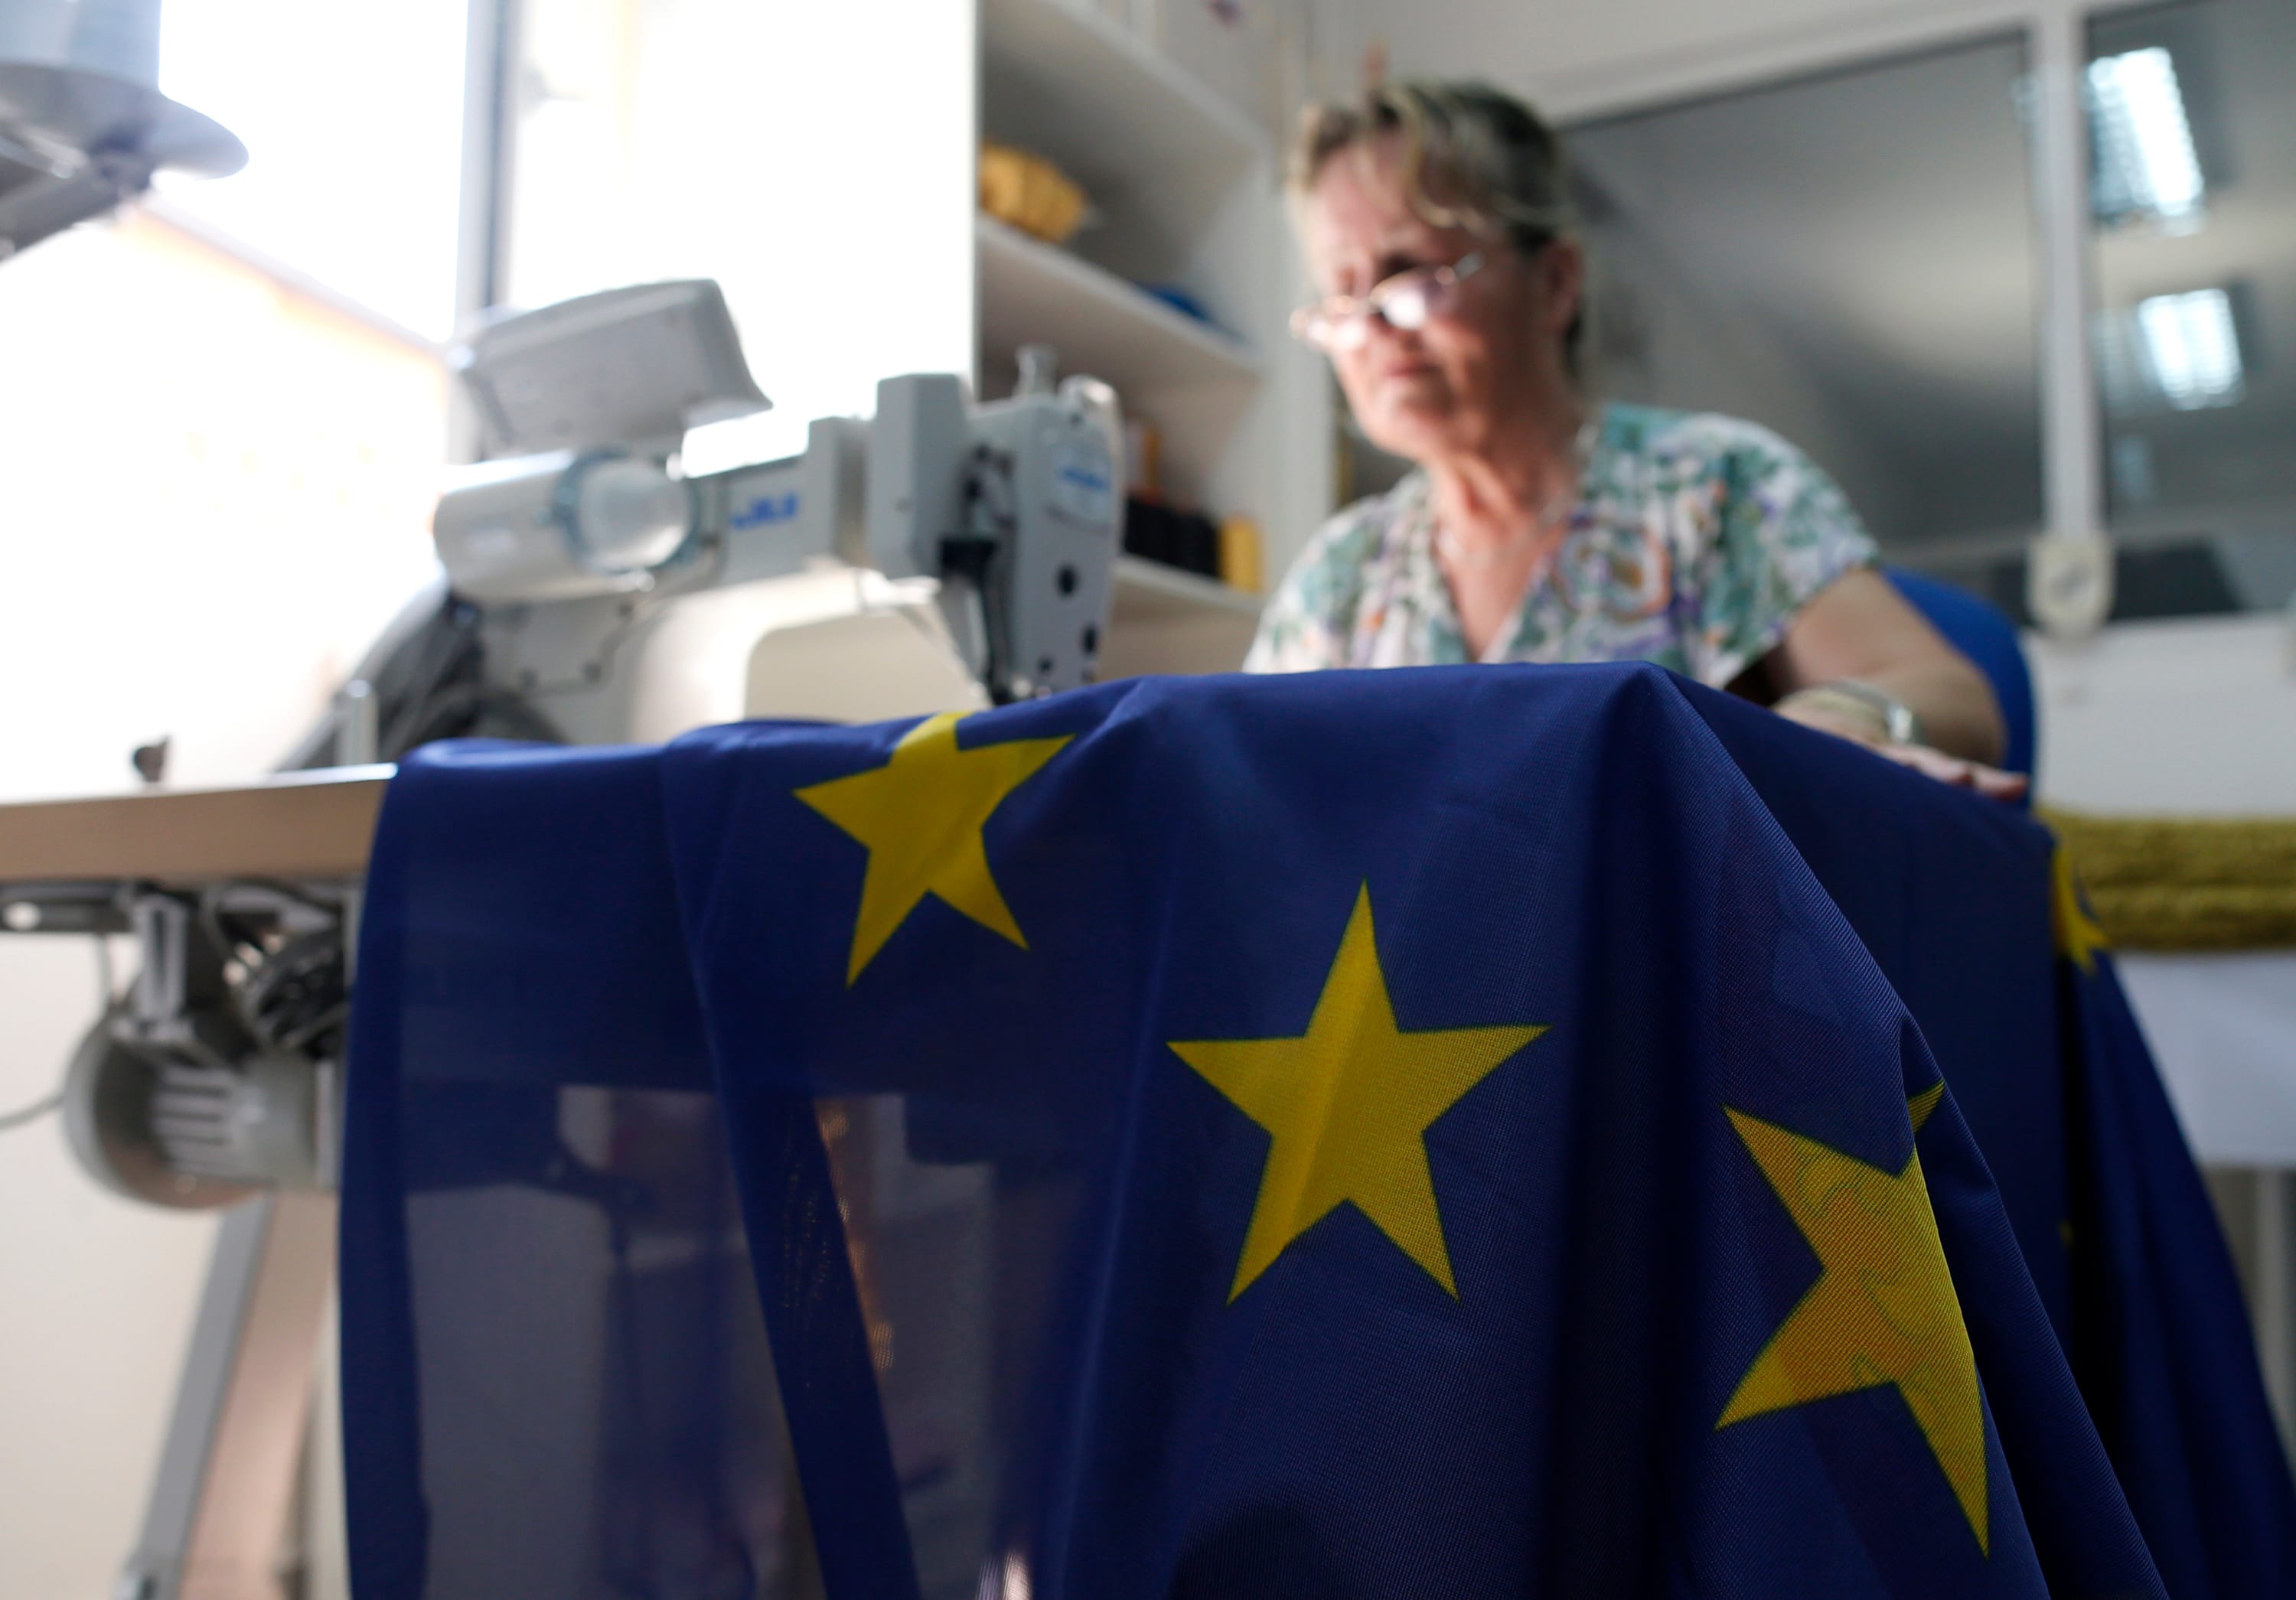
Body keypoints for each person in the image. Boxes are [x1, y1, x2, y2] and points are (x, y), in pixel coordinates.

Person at [1248, 80, 2024, 797]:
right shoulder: (1344, 575)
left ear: (1554, 282)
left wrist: (1839, 721)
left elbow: (1951, 696)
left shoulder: (1712, 488)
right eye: (1340, 293)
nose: (1372, 326)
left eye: (1413, 273)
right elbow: (1249, 793)